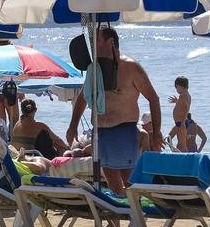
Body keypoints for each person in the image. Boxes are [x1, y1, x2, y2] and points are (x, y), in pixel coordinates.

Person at [67, 26, 162, 193]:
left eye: (96, 40)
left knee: (128, 176)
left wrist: (157, 133)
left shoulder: (131, 68)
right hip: (100, 131)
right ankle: (118, 214)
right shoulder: (95, 69)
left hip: (124, 130)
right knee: (109, 176)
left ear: (110, 42)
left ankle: (135, 213)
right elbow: (83, 97)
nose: (92, 45)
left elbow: (153, 99)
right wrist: (73, 125)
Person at [170, 76, 191, 151]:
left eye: (176, 87)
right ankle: (181, 157)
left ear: (179, 85)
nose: (176, 89)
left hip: (182, 122)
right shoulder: (183, 95)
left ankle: (186, 160)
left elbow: (186, 108)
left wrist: (182, 122)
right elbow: (182, 105)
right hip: (180, 122)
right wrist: (177, 101)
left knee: (181, 144)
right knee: (180, 144)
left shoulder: (184, 95)